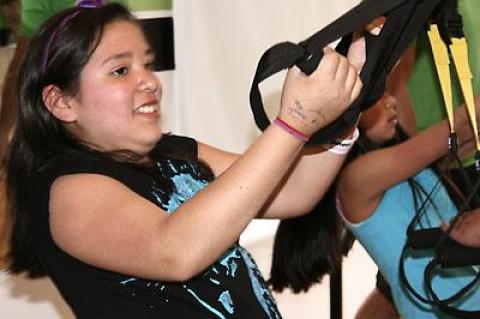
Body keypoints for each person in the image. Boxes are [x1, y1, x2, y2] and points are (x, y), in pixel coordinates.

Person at [5, 2, 365, 318]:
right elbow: (177, 250)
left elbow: (293, 193)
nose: (149, 81)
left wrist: (349, 102)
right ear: (61, 102)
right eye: (120, 70)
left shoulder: (173, 151)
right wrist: (294, 123)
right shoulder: (66, 188)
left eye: (147, 64)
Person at [337, 92, 480, 317]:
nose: (391, 101)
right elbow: (457, 125)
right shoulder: (356, 180)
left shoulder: (413, 165)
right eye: (377, 96)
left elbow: (401, 77)